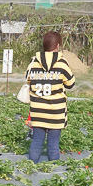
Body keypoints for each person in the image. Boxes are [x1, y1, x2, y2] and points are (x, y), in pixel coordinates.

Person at [25, 30, 75, 162]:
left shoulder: (34, 63)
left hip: (38, 111)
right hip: (55, 113)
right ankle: (54, 176)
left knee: (36, 142)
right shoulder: (62, 63)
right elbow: (71, 83)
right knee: (53, 144)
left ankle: (30, 168)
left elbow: (28, 80)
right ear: (58, 46)